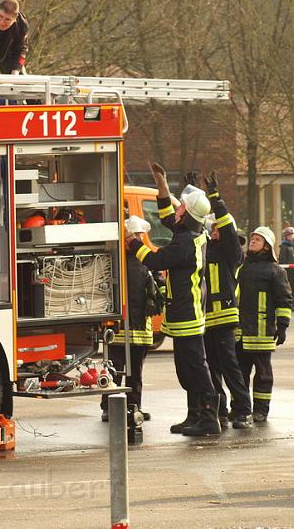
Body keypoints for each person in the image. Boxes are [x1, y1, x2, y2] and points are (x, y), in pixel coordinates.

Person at [126, 163, 220, 437]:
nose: (177, 208)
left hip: (187, 314)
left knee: (195, 369)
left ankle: (208, 418)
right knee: (187, 369)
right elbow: (168, 217)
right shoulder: (190, 232)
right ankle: (195, 416)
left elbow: (156, 260)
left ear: (187, 213)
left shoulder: (185, 242)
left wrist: (133, 242)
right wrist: (163, 186)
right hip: (184, 313)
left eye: (181, 206)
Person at [199, 170, 253, 430]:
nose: (215, 229)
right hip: (206, 320)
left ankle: (243, 410)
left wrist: (216, 197)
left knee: (230, 367)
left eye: (218, 227)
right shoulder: (207, 250)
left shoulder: (232, 253)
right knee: (212, 370)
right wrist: (191, 190)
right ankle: (220, 410)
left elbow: (228, 227)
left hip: (225, 318)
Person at [101, 215, 158, 422]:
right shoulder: (128, 263)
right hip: (123, 329)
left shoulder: (141, 263)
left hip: (135, 329)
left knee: (129, 372)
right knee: (120, 371)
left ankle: (129, 407)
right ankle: (117, 407)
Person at [237, 226, 294, 422]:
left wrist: (283, 326)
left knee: (263, 374)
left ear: (267, 247)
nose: (252, 241)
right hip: (241, 331)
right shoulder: (242, 268)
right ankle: (240, 409)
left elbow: (284, 300)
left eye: (258, 239)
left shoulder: (275, 271)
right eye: (252, 238)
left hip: (263, 330)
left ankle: (261, 410)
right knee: (239, 374)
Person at [279, 227, 294, 310]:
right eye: (289, 235)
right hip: (289, 271)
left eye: (292, 234)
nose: (291, 236)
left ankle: (293, 302)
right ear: (286, 236)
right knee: (290, 287)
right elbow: (282, 258)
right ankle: (290, 303)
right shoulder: (284, 246)